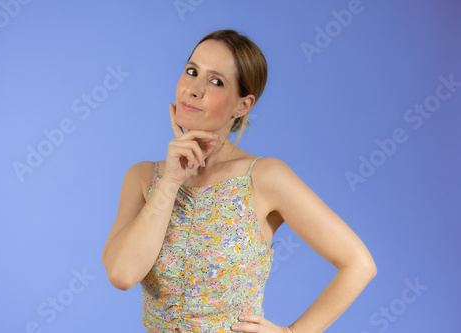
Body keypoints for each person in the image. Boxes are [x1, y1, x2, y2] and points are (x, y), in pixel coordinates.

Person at [102, 29, 376, 332]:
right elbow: (122, 274)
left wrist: (291, 332)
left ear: (242, 106)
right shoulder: (144, 177)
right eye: (192, 71)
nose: (194, 89)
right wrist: (170, 181)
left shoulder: (263, 177)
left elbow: (359, 264)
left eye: (215, 81)